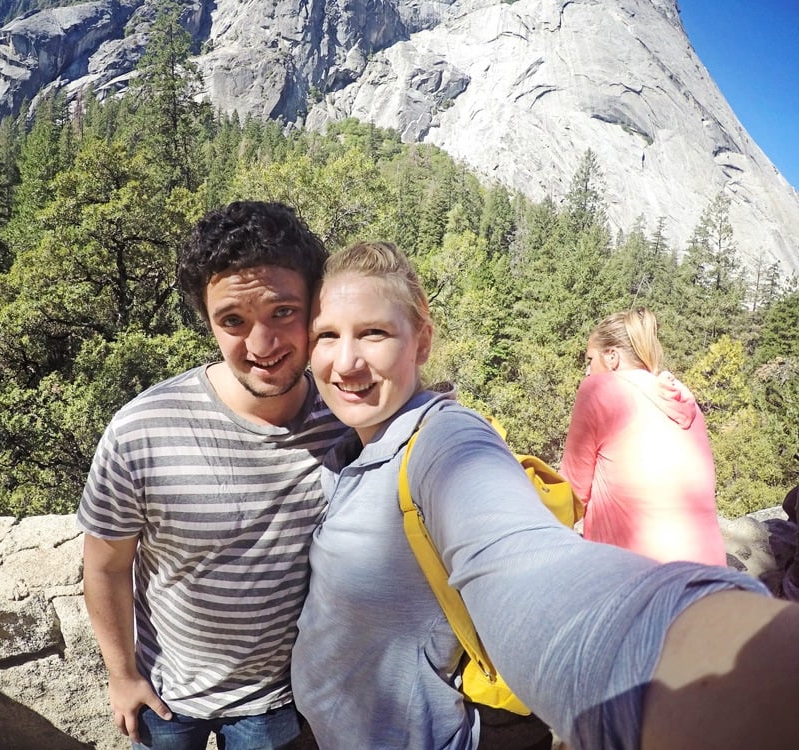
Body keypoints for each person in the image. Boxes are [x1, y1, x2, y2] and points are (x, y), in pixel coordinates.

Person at [291, 241, 798, 750]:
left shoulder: (444, 442)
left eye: (373, 333)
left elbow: (525, 567)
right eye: (327, 336)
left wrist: (723, 660)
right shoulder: (344, 446)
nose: (345, 361)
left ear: (421, 342)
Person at [77, 201, 347, 750]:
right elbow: (105, 568)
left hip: (279, 701)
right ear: (207, 321)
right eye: (233, 321)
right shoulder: (142, 430)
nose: (262, 346)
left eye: (282, 313)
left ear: (315, 307)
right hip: (165, 697)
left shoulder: (347, 419)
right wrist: (122, 675)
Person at [559, 308, 725, 565]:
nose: (588, 370)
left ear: (612, 357)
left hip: (639, 576)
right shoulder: (681, 397)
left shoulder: (599, 389)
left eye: (589, 360)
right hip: (709, 575)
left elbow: (570, 494)